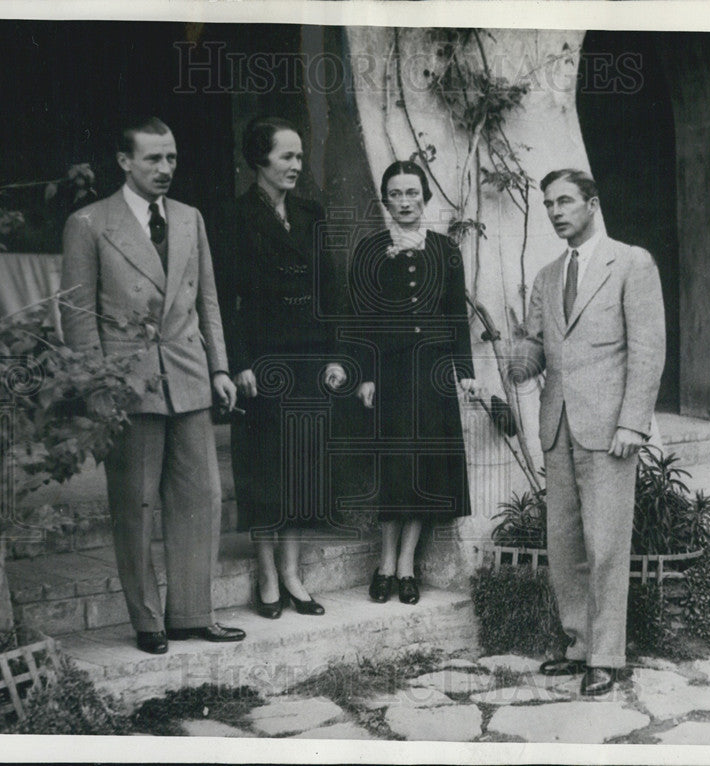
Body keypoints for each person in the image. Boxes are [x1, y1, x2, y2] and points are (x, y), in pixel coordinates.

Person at [59, 116, 244, 655]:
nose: (165, 169)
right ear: (124, 161)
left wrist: (220, 368)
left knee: (203, 497)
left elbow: (207, 299)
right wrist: (99, 386)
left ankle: (190, 614)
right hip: (126, 383)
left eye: (172, 158)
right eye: (153, 159)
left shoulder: (190, 218)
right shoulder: (90, 223)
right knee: (135, 505)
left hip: (187, 376)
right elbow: (77, 313)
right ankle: (147, 621)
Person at [509, 168, 665, 696]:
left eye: (566, 202)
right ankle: (578, 645)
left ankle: (607, 655)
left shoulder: (632, 262)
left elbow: (647, 349)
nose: (556, 212)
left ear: (591, 203)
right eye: (549, 204)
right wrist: (519, 361)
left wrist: (633, 423)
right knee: (565, 544)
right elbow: (535, 342)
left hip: (609, 430)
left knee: (605, 545)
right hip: (558, 427)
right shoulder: (548, 275)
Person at [217, 116, 346, 619]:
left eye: (299, 156)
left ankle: (293, 572)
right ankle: (268, 574)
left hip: (309, 359)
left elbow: (330, 291)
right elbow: (226, 298)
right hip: (262, 364)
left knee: (300, 467)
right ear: (260, 160)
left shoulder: (312, 216)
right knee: (264, 469)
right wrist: (239, 362)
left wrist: (337, 355)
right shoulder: (233, 216)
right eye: (286, 156)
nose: (296, 165)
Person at [347, 161, 476, 606]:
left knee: (423, 469)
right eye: (396, 194)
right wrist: (365, 374)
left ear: (425, 197)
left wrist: (465, 374)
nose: (405, 202)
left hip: (434, 377)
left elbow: (456, 316)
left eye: (412, 193)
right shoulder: (370, 251)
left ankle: (406, 566)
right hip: (390, 377)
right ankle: (385, 562)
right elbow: (359, 320)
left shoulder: (445, 250)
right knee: (394, 466)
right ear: (385, 200)